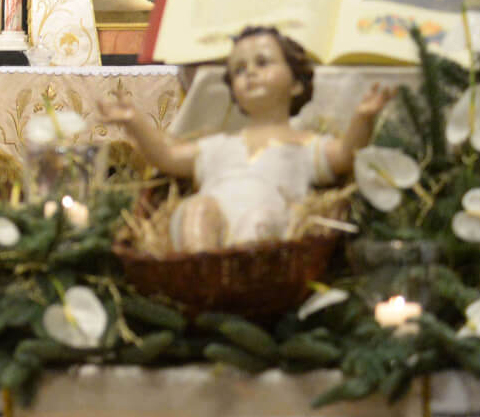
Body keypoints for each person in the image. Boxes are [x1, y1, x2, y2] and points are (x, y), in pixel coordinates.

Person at [98, 26, 392, 251]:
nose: (250, 72)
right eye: (239, 69)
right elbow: (167, 157)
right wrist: (135, 123)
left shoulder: (303, 145)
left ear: (296, 83)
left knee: (260, 220)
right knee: (197, 209)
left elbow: (345, 155)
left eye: (262, 63)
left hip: (267, 231)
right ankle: (205, 271)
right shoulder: (221, 145)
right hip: (210, 233)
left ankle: (239, 273)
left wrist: (362, 118)